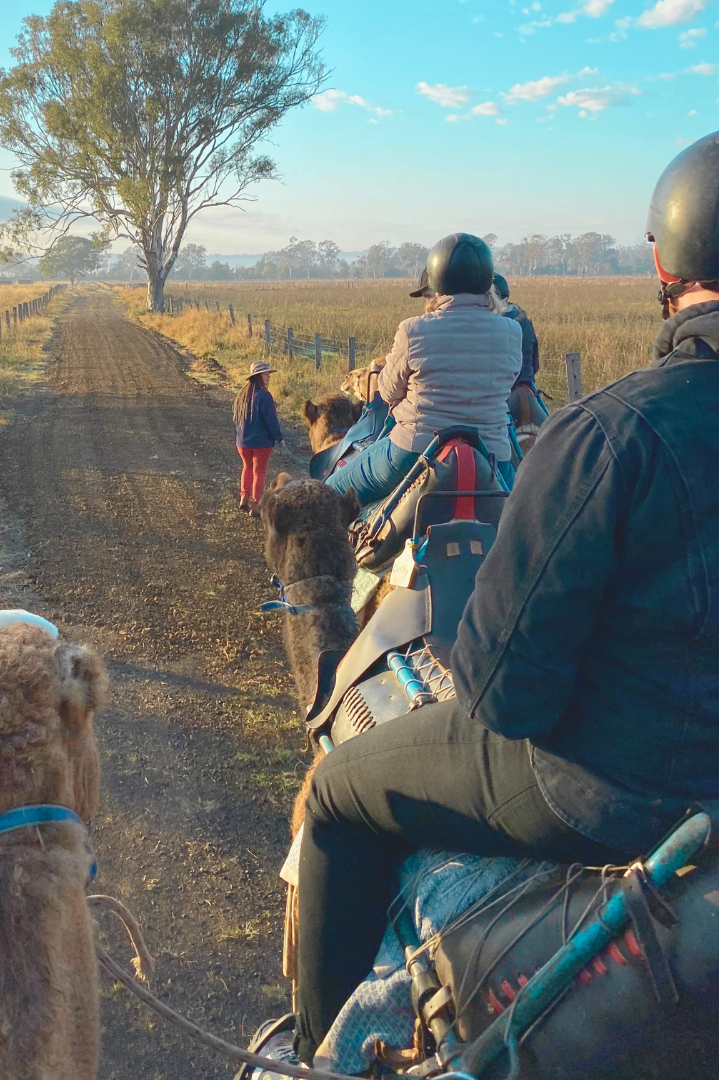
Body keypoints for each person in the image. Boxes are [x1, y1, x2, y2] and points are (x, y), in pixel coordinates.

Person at [260, 131, 719, 1068]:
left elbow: (505, 695)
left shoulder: (610, 436)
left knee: (339, 794)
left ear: (662, 262)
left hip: (612, 797)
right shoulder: (519, 346)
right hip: (499, 455)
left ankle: (317, 1053)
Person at [324, 234, 522, 505]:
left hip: (413, 452)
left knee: (329, 493)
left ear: (437, 281)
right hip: (492, 453)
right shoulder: (512, 330)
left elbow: (388, 391)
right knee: (525, 513)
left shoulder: (413, 329)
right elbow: (508, 382)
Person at [234, 359, 284, 517]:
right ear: (258, 376)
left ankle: (244, 498)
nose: (268, 376)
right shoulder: (264, 396)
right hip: (261, 443)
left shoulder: (242, 396)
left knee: (247, 467)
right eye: (265, 373)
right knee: (259, 472)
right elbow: (271, 420)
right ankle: (256, 506)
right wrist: (279, 437)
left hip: (242, 442)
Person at [493, 272, 540, 386]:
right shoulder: (526, 323)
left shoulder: (492, 324)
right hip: (526, 386)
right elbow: (535, 365)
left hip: (502, 388)